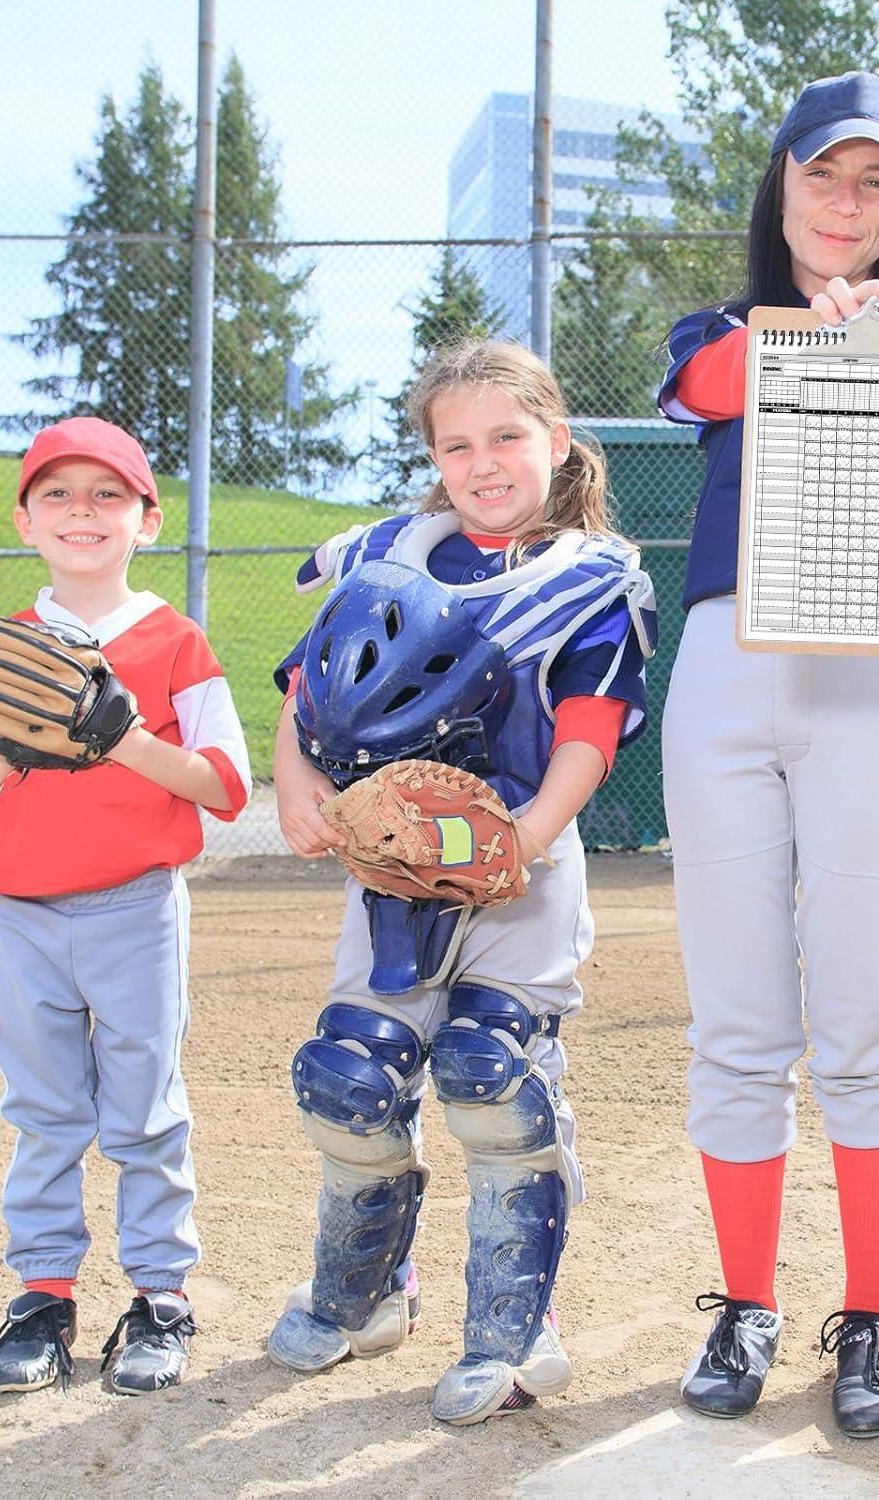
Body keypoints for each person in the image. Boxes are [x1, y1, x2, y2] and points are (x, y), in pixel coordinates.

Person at [657, 71, 879, 1440]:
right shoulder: (722, 329)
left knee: (867, 1018)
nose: (845, 203)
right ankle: (744, 1301)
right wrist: (842, 336)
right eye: (822, 175)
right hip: (729, 671)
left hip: (872, 681)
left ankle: (872, 1313)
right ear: (780, 185)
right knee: (739, 1019)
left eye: (875, 183)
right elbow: (714, 378)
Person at [266, 340, 656, 1427]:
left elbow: (587, 733)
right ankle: (363, 1297)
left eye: (507, 437)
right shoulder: (388, 555)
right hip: (384, 871)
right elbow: (305, 694)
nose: (483, 462)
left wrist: (523, 837)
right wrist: (297, 789)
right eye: (457, 444)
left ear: (557, 440)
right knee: (350, 1074)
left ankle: (514, 1333)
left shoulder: (589, 576)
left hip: (518, 873)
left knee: (493, 1073)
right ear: (433, 456)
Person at [0, 417, 251, 1396]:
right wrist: (7, 750)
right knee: (44, 1112)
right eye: (58, 494)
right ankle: (43, 1297)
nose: (82, 511)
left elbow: (223, 784)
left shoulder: (175, 642)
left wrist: (120, 737)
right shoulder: (6, 647)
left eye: (107, 494)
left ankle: (160, 1296)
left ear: (147, 519)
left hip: (136, 906)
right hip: (27, 915)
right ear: (26, 520)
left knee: (145, 1111)